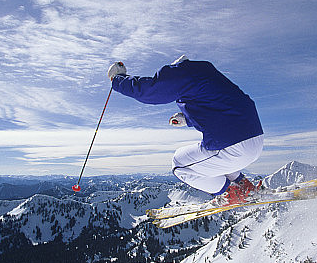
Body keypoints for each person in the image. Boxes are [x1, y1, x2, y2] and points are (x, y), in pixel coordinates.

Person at [108, 56, 263, 205]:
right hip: (255, 141)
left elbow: (149, 91)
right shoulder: (209, 74)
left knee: (179, 165)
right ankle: (242, 183)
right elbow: (217, 107)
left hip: (233, 145)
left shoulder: (183, 72)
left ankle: (230, 193)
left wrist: (118, 79)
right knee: (213, 156)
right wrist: (188, 118)